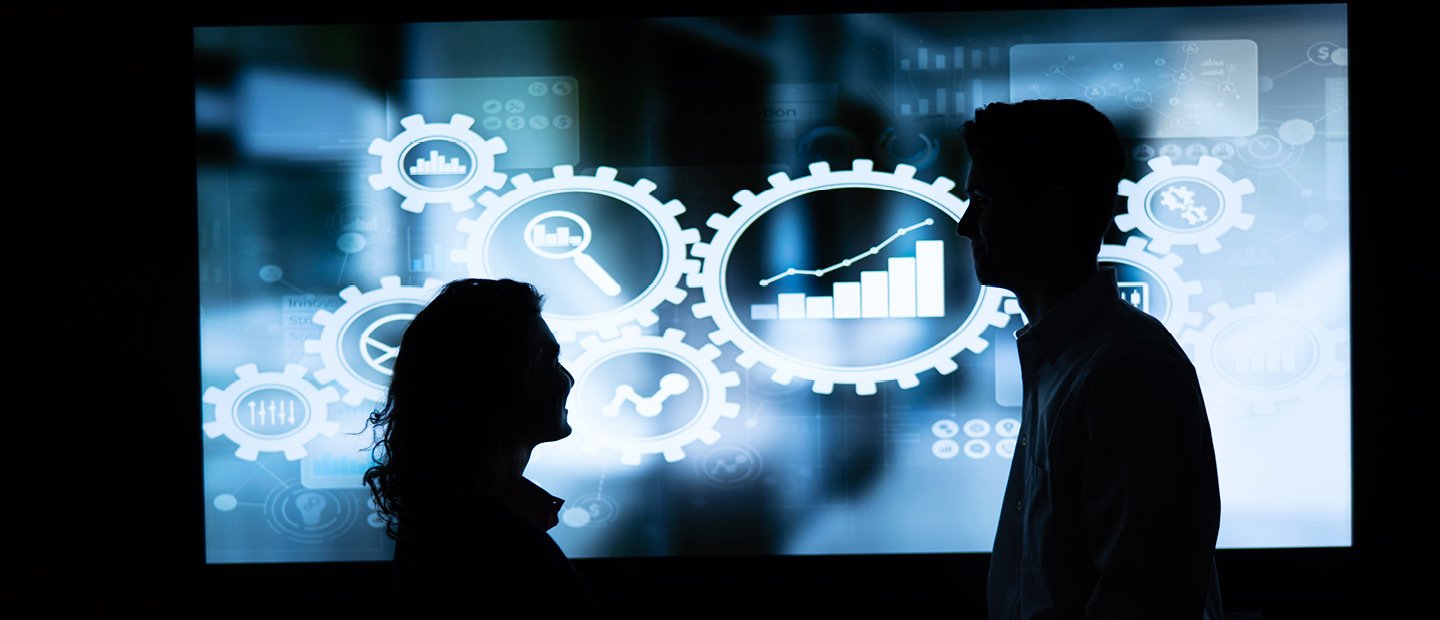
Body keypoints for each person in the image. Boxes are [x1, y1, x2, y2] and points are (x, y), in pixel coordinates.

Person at [954, 99, 1223, 619]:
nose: (966, 226)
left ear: (1050, 211)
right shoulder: (1076, 361)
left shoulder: (1122, 369)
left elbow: (1143, 599)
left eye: (983, 201)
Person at [363, 278, 602, 618]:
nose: (567, 379)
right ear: (501, 382)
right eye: (549, 361)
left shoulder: (444, 528)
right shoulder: (501, 547)